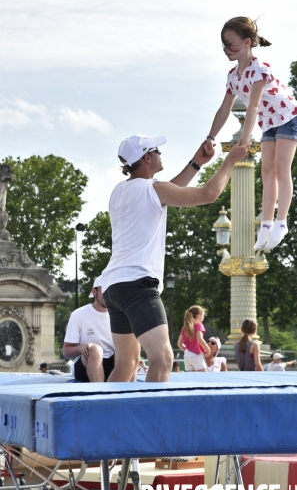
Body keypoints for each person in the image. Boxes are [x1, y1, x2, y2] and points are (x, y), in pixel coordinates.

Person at [101, 133, 250, 384]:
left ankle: (106, 420)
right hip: (138, 285)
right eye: (157, 151)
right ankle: (151, 422)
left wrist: (196, 163)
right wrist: (231, 161)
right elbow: (209, 194)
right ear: (147, 157)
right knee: (163, 360)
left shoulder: (120, 191)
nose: (161, 154)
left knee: (126, 363)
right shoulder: (153, 189)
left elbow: (166, 190)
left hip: (114, 286)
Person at [205, 16, 297, 252]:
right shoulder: (232, 77)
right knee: (266, 171)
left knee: (281, 169)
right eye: (224, 44)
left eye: (231, 43)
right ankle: (266, 225)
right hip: (269, 122)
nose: (226, 49)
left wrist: (246, 138)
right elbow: (224, 109)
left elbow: (253, 106)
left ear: (247, 42)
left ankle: (281, 222)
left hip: (288, 116)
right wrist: (210, 137)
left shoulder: (258, 68)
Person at [63, 275, 115, 383]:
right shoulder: (78, 315)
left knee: (129, 349)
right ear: (94, 291)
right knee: (95, 350)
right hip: (85, 364)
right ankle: (99, 394)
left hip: (113, 365)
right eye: (104, 290)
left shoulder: (120, 315)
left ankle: (129, 394)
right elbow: (66, 351)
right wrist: (82, 347)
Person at [177, 306, 210, 372]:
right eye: (203, 315)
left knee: (191, 380)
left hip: (187, 356)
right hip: (196, 355)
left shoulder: (184, 328)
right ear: (199, 315)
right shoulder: (199, 325)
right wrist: (208, 349)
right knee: (202, 378)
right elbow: (200, 339)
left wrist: (187, 350)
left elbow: (179, 344)